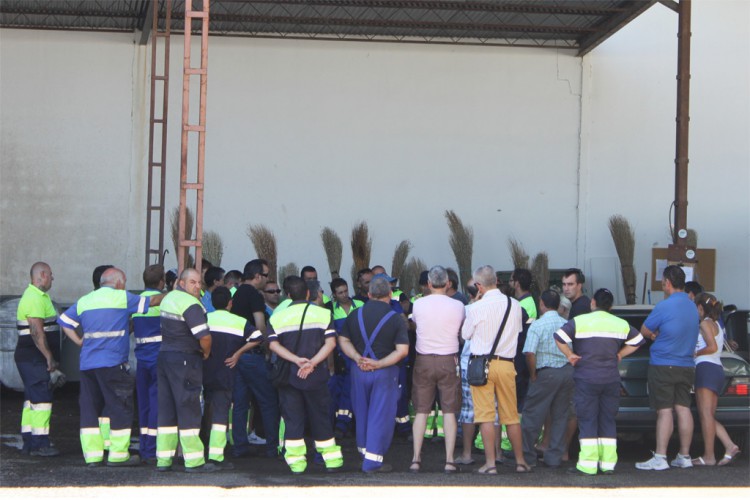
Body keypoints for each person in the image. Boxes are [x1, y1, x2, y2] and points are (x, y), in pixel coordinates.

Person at [58, 268, 160, 467]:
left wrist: (79, 341)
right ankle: (118, 455)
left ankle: (93, 455)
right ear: (118, 282)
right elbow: (153, 302)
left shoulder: (86, 300)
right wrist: (173, 294)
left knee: (90, 408)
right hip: (113, 363)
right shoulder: (121, 297)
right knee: (120, 406)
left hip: (88, 365)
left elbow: (65, 322)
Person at [554, 288, 644, 475]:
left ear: (592, 303)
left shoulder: (580, 321)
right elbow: (638, 340)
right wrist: (620, 354)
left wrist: (570, 355)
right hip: (610, 379)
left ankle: (588, 465)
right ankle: (608, 464)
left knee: (587, 420)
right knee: (607, 420)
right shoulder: (619, 323)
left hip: (586, 378)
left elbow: (559, 337)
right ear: (610, 306)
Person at [267, 276, 343, 474]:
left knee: (293, 419)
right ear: (308, 293)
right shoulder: (323, 314)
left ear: (288, 295)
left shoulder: (277, 317)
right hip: (316, 376)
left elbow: (273, 345)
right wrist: (312, 363)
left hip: (289, 376)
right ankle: (332, 461)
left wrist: (296, 360)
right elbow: (331, 344)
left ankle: (296, 464)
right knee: (321, 417)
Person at [461, 265, 530, 474]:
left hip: (481, 367)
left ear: (479, 286)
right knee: (511, 416)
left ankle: (490, 464)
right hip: (507, 365)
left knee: (485, 416)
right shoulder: (515, 305)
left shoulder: (475, 308)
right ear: (497, 281)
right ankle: (520, 462)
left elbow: (465, 335)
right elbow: (518, 331)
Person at [338, 275, 409, 473]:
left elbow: (343, 340)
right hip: (384, 373)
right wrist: (379, 364)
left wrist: (357, 357)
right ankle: (373, 461)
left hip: (359, 370)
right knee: (380, 415)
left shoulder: (355, 314)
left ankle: (364, 453)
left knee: (362, 412)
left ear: (368, 294)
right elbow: (402, 350)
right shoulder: (395, 318)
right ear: (390, 294)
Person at [636, 265, 700, 470]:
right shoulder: (692, 305)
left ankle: (661, 457)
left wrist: (655, 336)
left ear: (668, 283)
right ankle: (685, 456)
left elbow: (645, 330)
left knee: (664, 411)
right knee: (683, 408)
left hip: (664, 364)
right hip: (687, 365)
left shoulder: (664, 305)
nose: (662, 285)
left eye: (663, 282)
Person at [155, 268, 214, 472]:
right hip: (185, 359)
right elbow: (204, 337)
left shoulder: (169, 299)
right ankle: (194, 461)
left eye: (199, 283)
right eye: (192, 282)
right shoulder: (191, 304)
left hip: (165, 357)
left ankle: (164, 460)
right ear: (181, 283)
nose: (197, 286)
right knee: (189, 406)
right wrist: (206, 353)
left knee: (166, 410)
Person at [409, 265, 465, 473]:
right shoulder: (458, 306)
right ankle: (449, 460)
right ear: (448, 283)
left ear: (429, 283)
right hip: (449, 360)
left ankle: (416, 458)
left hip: (423, 359)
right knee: (449, 410)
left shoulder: (418, 304)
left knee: (421, 410)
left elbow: (414, 325)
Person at [204, 286, 263, 467]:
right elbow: (258, 336)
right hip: (225, 373)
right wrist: (238, 353)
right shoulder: (238, 321)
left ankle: (194, 451)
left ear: (212, 303)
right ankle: (216, 455)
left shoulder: (204, 319)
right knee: (221, 414)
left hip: (202, 372)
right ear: (230, 303)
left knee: (200, 411)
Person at [230, 259, 280, 459]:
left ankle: (239, 446)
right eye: (266, 275)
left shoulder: (237, 293)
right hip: (252, 354)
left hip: (237, 354)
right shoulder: (255, 296)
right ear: (258, 276)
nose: (267, 279)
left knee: (241, 403)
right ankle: (272, 447)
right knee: (268, 401)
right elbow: (260, 326)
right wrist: (266, 347)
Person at [520, 289, 574, 469]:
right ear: (558, 305)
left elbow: (529, 352)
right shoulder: (566, 324)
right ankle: (554, 458)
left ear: (541, 304)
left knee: (532, 415)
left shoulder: (537, 325)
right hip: (566, 373)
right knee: (560, 416)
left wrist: (533, 374)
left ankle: (527, 457)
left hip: (546, 373)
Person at [15, 262, 61, 457]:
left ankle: (29, 440)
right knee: (41, 399)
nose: (52, 278)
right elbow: (36, 331)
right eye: (50, 274)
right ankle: (40, 444)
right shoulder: (34, 297)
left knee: (31, 400)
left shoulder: (38, 296)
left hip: (30, 358)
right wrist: (49, 357)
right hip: (35, 358)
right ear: (42, 275)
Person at [690, 292, 740, 466]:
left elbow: (710, 347)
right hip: (717, 368)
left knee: (705, 415)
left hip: (705, 368)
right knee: (709, 415)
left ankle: (709, 455)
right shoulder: (716, 324)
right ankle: (728, 445)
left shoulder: (704, 323)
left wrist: (695, 353)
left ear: (701, 308)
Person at [131, 264, 165, 465]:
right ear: (161, 282)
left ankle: (144, 447)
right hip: (159, 359)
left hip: (141, 359)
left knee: (143, 405)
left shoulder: (137, 302)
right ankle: (152, 449)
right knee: (156, 405)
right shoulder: (163, 303)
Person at [329, 277, 364, 437]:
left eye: (346, 291)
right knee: (343, 390)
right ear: (334, 295)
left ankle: (349, 424)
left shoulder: (361, 305)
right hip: (342, 357)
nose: (344, 295)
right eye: (340, 293)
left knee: (358, 390)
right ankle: (342, 424)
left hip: (360, 354)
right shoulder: (330, 310)